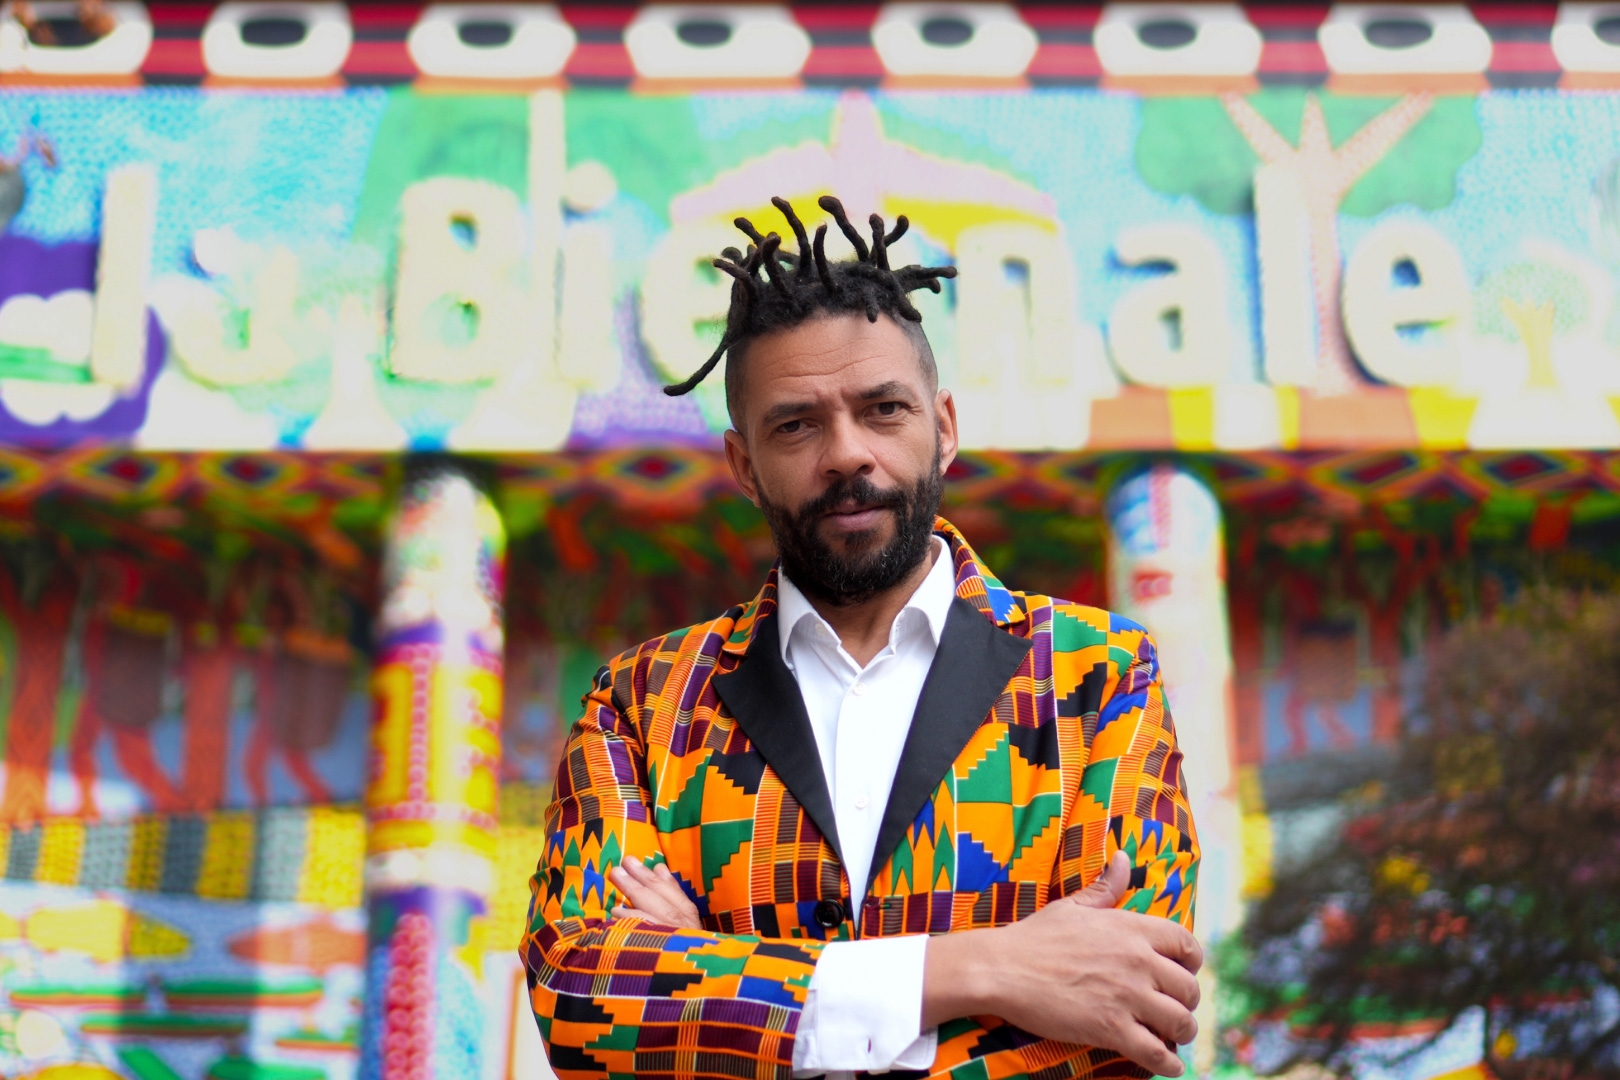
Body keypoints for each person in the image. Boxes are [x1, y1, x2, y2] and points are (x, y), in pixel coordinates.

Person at [522, 195, 1202, 1080]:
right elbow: (584, 1000)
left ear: (944, 426)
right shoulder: (644, 705)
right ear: (743, 465)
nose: (846, 453)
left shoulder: (1098, 679)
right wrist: (983, 968)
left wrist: (727, 1000)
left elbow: (1125, 1019)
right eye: (796, 424)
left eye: (883, 409)